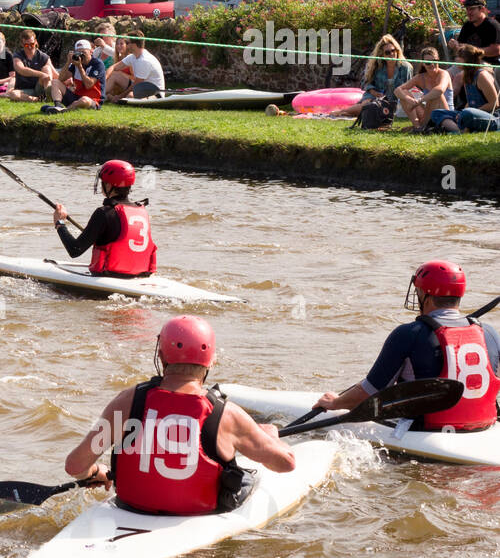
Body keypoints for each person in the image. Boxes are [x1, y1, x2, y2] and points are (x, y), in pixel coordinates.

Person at [63, 316, 295, 514]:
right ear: (211, 361)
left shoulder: (126, 401)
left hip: (132, 509)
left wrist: (95, 471)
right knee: (245, 476)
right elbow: (286, 464)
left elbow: (74, 466)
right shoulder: (226, 414)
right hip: (199, 516)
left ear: (162, 357)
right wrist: (270, 436)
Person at [312, 262, 499, 433]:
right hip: (483, 429)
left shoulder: (409, 334)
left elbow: (368, 393)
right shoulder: (489, 333)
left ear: (425, 296)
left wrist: (335, 402)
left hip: (426, 431)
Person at [54, 159, 156, 278]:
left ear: (108, 185)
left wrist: (60, 223)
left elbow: (75, 250)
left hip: (109, 275)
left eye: (103, 181)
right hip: (141, 276)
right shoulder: (142, 211)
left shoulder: (104, 213)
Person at [335, 35, 411, 118]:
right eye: (387, 52)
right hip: (374, 97)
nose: (392, 54)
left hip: (396, 101)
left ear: (397, 51)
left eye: (393, 50)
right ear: (382, 55)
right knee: (367, 106)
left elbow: (408, 87)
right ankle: (341, 112)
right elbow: (365, 82)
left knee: (372, 111)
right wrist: (373, 92)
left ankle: (346, 113)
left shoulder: (405, 68)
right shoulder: (376, 66)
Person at [431, 44, 499, 133]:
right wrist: (462, 112)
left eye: (460, 57)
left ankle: (460, 128)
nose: (456, 59)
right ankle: (460, 130)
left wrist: (467, 112)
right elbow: (470, 101)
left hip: (492, 116)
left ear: (468, 59)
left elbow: (495, 104)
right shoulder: (466, 75)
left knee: (468, 114)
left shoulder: (482, 76)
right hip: (471, 113)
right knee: (436, 113)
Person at [395, 47, 453, 131]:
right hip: (429, 114)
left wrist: (419, 101)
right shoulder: (420, 77)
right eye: (428, 63)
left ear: (438, 60)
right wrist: (410, 100)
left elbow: (440, 90)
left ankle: (421, 127)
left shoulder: (444, 73)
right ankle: (418, 127)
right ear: (423, 64)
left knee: (436, 95)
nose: (432, 64)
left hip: (446, 114)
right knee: (404, 92)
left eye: (435, 61)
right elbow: (397, 90)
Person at [45, 38, 105, 112]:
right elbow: (60, 79)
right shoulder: (75, 63)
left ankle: (64, 110)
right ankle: (58, 105)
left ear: (91, 52)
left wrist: (80, 67)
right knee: (55, 82)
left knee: (84, 100)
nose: (81, 56)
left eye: (83, 52)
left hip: (92, 100)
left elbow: (89, 85)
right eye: (78, 53)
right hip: (76, 97)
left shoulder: (97, 64)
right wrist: (68, 62)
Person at [105, 30, 165, 101]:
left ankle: (114, 98)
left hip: (154, 92)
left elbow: (137, 84)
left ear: (134, 44)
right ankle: (99, 95)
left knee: (130, 96)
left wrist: (120, 96)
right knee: (115, 74)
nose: (126, 45)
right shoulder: (133, 56)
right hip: (141, 87)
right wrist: (104, 78)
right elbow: (113, 67)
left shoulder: (144, 60)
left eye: (127, 42)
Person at [450, 0, 500, 65]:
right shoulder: (467, 25)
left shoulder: (492, 25)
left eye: (472, 9)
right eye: (467, 9)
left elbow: (496, 50)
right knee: (449, 73)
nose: (469, 12)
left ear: (482, 9)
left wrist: (474, 51)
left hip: (487, 63)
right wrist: (456, 45)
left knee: (462, 75)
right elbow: (462, 48)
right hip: (467, 62)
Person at [7, 30, 53, 103]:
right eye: (26, 45)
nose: (29, 47)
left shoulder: (43, 56)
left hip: (40, 87)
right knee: (13, 94)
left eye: (32, 44)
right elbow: (21, 69)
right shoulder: (18, 56)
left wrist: (67, 81)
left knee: (47, 68)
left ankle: (48, 93)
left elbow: (54, 74)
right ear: (22, 44)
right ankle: (38, 100)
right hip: (25, 90)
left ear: (35, 42)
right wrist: (41, 74)